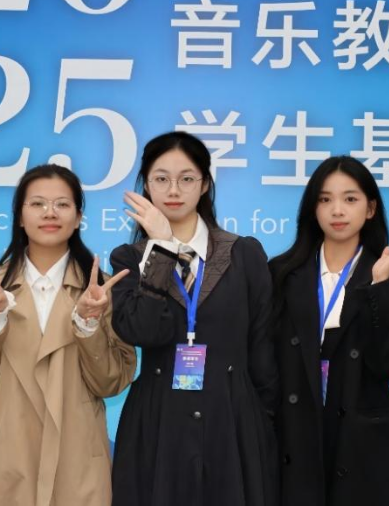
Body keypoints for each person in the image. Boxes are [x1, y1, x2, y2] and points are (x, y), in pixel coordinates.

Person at [110, 131, 279, 506]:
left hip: (232, 418)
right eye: (161, 178)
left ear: (204, 185)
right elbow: (142, 330)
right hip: (158, 420)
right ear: (146, 184)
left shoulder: (243, 254)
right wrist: (162, 248)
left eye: (186, 178)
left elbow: (262, 348)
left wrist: (262, 424)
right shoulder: (129, 258)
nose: (174, 190)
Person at [0, 164, 137, 506]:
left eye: (62, 204)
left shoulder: (100, 291)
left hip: (75, 465)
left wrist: (88, 325)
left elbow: (111, 383)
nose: (50, 213)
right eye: (37, 203)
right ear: (20, 217)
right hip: (5, 462)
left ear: (78, 217)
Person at [270, 155, 389, 506]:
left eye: (350, 199)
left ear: (370, 209)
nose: (337, 210)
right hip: (294, 439)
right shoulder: (280, 275)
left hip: (361, 448)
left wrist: (379, 288)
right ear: (313, 209)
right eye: (325, 199)